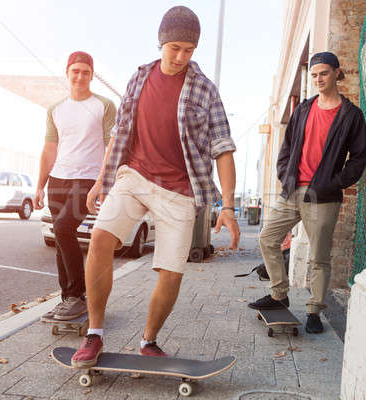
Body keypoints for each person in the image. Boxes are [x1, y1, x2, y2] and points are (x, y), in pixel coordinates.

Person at [70, 5, 240, 367]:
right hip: (134, 176)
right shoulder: (139, 78)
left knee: (170, 269)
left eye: (189, 50)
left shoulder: (205, 90)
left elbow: (223, 149)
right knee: (100, 239)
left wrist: (227, 206)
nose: (180, 57)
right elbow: (119, 134)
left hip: (179, 190)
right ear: (162, 42)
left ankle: (149, 341)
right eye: (174, 47)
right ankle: (94, 333)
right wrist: (102, 180)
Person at [248, 52, 366, 334]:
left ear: (337, 74)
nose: (318, 79)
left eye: (324, 73)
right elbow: (287, 146)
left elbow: (359, 158)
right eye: (314, 75)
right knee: (268, 238)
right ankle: (279, 293)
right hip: (292, 190)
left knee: (319, 257)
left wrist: (333, 182)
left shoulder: (351, 115)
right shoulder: (303, 108)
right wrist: (283, 173)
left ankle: (314, 310)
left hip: (323, 196)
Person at [33, 51, 116, 321]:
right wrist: (39, 185)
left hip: (88, 179)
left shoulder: (103, 105)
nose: (80, 76)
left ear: (92, 75)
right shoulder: (55, 109)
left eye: (86, 72)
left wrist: (103, 182)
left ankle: (77, 296)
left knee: (63, 227)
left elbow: (111, 145)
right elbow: (49, 149)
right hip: (58, 179)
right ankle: (68, 298)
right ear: (67, 73)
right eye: (75, 71)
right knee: (61, 237)